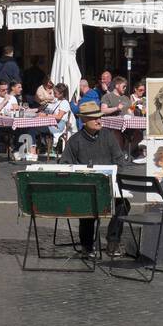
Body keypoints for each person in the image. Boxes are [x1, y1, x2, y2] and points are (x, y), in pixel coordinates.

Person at [59, 100, 129, 257]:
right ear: (83, 120)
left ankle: (113, 242)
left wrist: (113, 176)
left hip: (108, 187)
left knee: (123, 204)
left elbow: (120, 161)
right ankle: (87, 245)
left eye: (100, 117)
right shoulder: (75, 141)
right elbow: (65, 164)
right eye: (94, 118)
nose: (99, 121)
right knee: (86, 205)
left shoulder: (108, 136)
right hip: (85, 189)